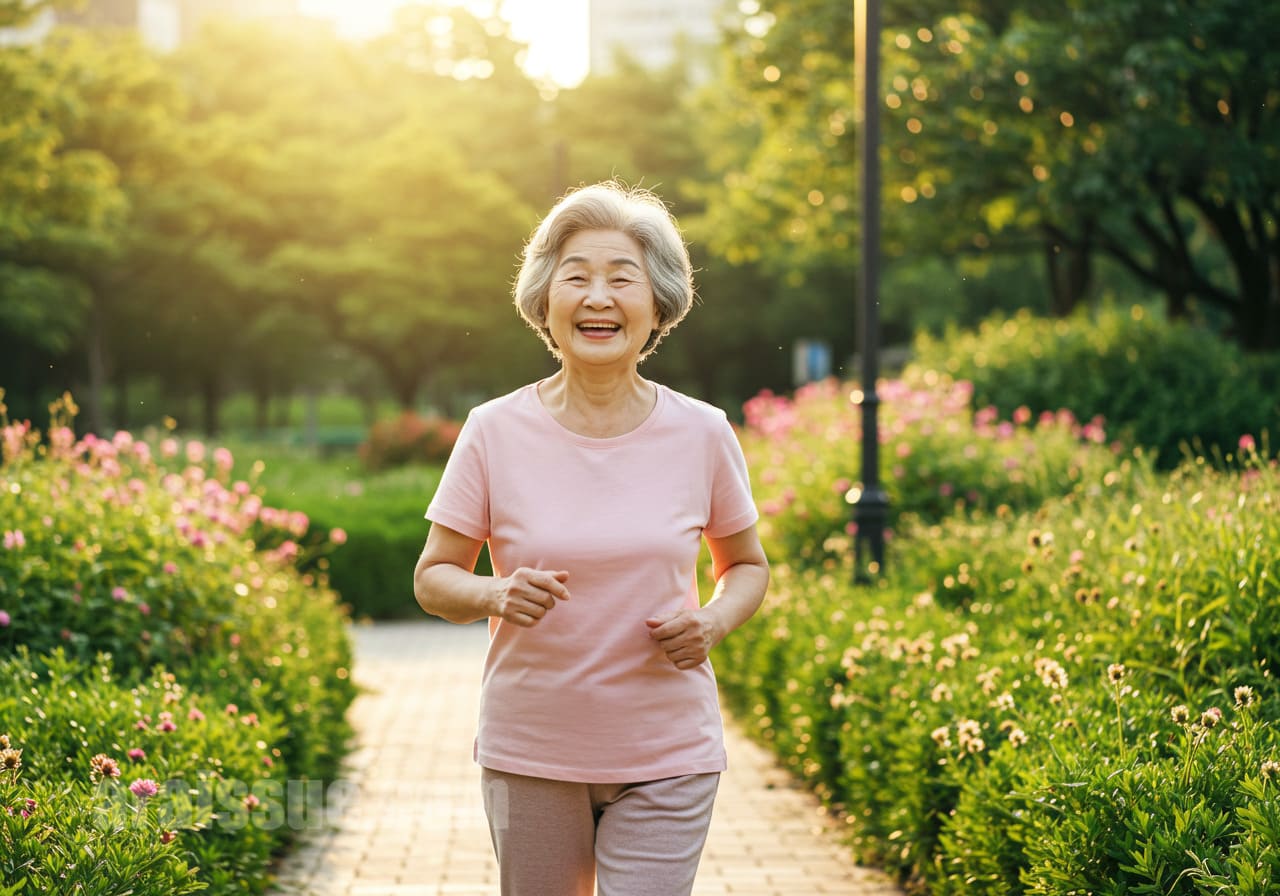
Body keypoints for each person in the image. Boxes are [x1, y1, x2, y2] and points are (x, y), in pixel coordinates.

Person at [412, 181, 770, 896]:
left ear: (658, 303)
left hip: (669, 749)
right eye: (576, 277)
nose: (598, 297)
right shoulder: (493, 430)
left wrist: (714, 620)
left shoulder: (703, 431)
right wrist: (495, 592)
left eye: (622, 278)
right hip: (532, 748)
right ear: (545, 302)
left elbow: (747, 567)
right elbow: (433, 578)